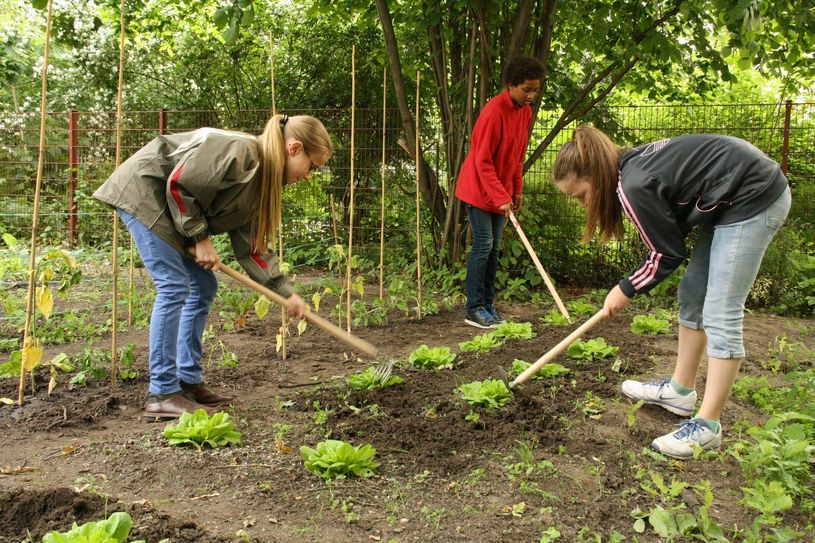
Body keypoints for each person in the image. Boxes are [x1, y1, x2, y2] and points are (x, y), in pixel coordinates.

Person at [553, 125, 790, 459]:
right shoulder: (628, 168)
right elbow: (669, 234)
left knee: (721, 310)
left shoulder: (632, 183)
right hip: (728, 200)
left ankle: (708, 428)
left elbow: (666, 253)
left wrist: (626, 288)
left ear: (597, 176)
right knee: (693, 293)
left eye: (580, 196)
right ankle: (680, 391)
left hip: (753, 197)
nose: (581, 205)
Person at [94, 114, 333, 421]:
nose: (310, 174)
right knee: (174, 286)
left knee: (203, 286)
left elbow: (253, 248)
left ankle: (188, 382)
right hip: (146, 195)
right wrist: (200, 238)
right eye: (312, 165)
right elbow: (180, 186)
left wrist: (287, 293)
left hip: (171, 210)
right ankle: (163, 393)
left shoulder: (262, 182)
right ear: (294, 148)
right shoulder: (240, 152)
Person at [455, 55, 545, 329]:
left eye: (534, 90)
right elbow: (482, 160)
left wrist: (516, 191)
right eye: (526, 89)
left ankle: (488, 305)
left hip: (500, 193)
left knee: (494, 251)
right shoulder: (494, 112)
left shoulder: (525, 113)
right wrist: (500, 196)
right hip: (478, 191)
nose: (530, 95)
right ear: (511, 85)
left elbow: (517, 156)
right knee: (483, 247)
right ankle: (474, 309)